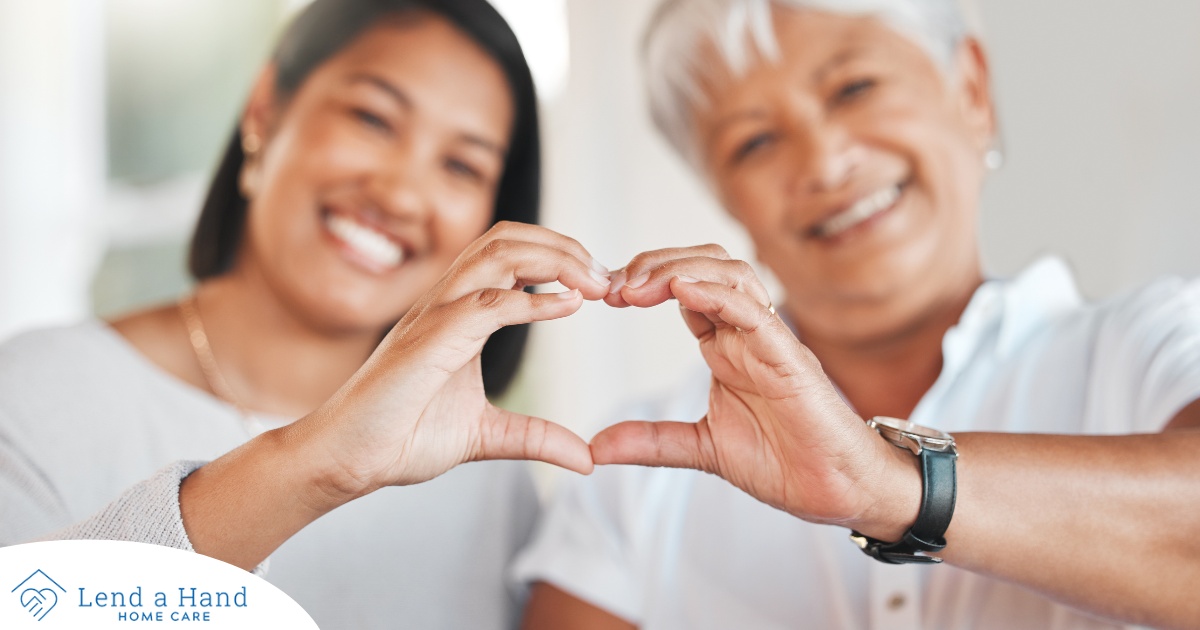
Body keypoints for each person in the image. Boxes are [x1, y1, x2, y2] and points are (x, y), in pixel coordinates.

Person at [515, 1, 1200, 628]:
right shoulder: (637, 478)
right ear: (726, 198)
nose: (823, 161)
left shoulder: (1151, 346)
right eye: (754, 142)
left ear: (970, 89)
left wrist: (892, 485)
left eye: (853, 88)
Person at [0, 1, 610, 627]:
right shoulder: (38, 395)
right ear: (266, 109)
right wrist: (312, 466)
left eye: (461, 165)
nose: (399, 194)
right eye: (372, 118)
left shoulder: (484, 477)